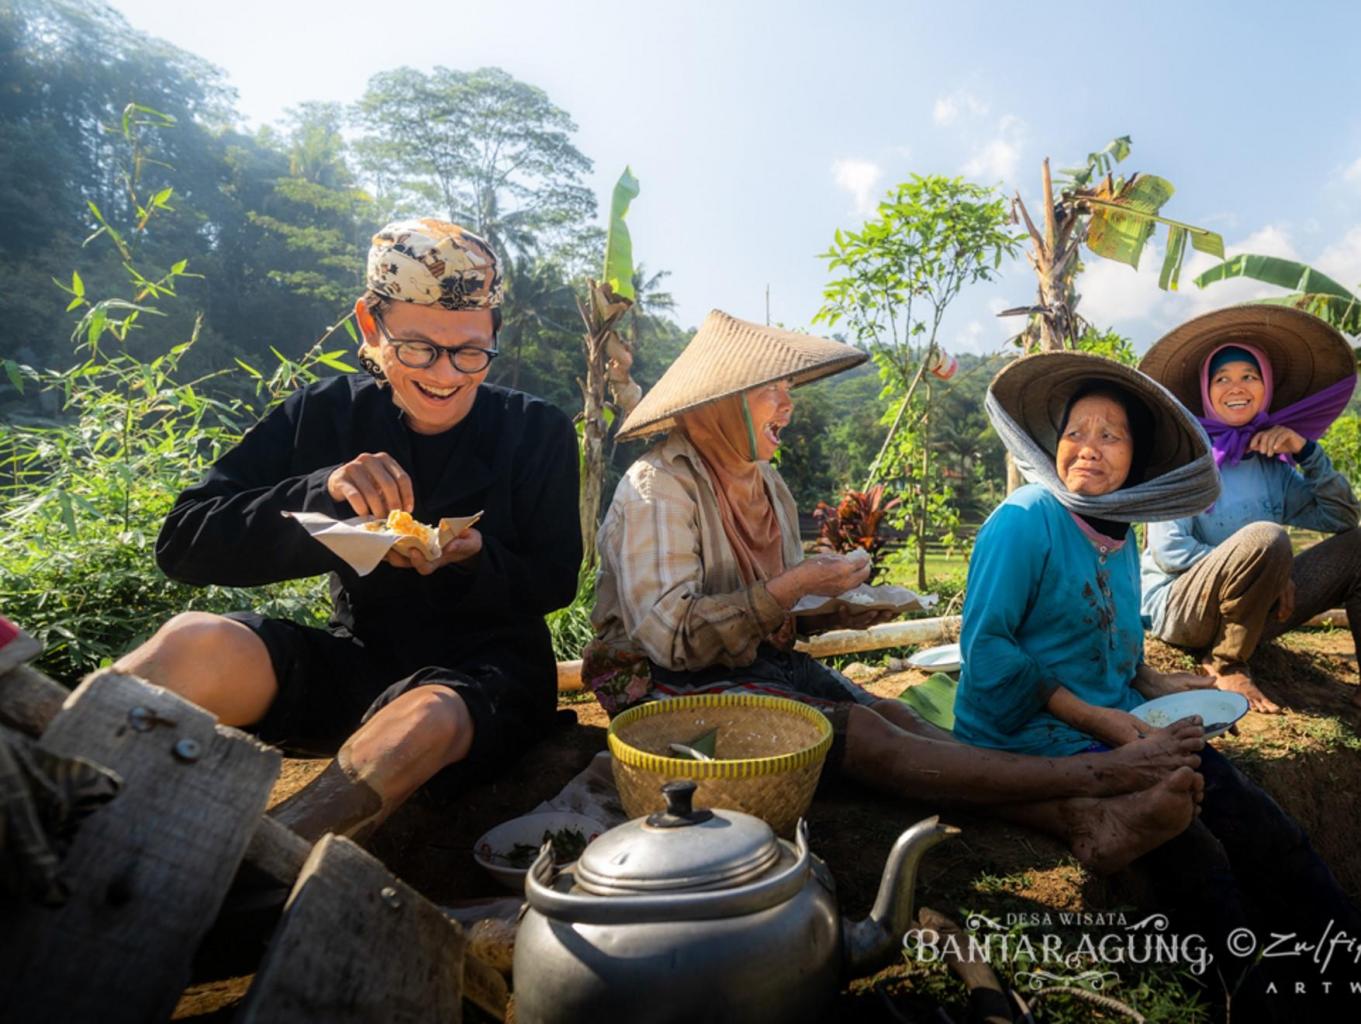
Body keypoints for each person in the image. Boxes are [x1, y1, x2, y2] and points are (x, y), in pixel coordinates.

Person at [587, 311, 1208, 875]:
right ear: (720, 402)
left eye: (790, 389)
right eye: (772, 390)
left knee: (901, 716)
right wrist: (797, 583)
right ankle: (1094, 777)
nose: (789, 405)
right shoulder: (659, 486)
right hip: (666, 689)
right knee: (867, 733)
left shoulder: (766, 486)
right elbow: (670, 640)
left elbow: (769, 612)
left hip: (756, 664)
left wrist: (834, 608)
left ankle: (1080, 819)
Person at [114, 219, 582, 841]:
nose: (446, 375)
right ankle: (50, 774)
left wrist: (475, 558)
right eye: (417, 348)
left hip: (489, 677)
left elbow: (554, 579)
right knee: (195, 641)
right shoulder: (325, 414)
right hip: (359, 663)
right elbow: (184, 541)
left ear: (494, 334)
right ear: (370, 325)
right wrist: (323, 493)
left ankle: (265, 859)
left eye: (471, 351)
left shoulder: (536, 430)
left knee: (425, 716)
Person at [956, 351, 1361, 1008]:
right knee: (1193, 855)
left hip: (1116, 726)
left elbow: (1114, 647)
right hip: (1029, 735)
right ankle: (1241, 997)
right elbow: (987, 652)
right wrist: (1104, 720)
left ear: (1137, 460)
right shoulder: (1024, 519)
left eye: (1110, 435)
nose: (1088, 447)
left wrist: (1161, 687)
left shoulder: (1119, 532)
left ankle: (1341, 956)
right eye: (1075, 432)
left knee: (1258, 820)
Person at [1139, 306, 1361, 712]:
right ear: (1206, 391)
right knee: (1266, 537)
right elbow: (1169, 552)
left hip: (1255, 612)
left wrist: (1307, 452)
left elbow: (1342, 518)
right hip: (1182, 609)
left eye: (1249, 376)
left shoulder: (1271, 467)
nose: (1236, 387)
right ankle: (1226, 663)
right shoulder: (1184, 456)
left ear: (1266, 387)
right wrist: (1261, 572)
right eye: (1222, 378)